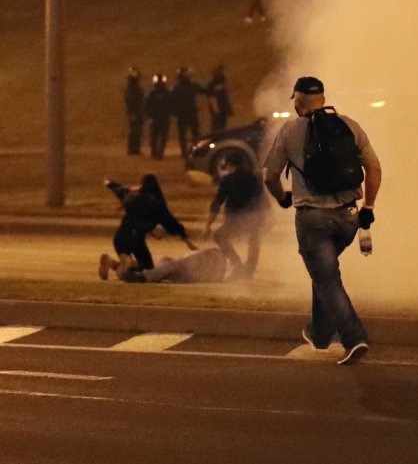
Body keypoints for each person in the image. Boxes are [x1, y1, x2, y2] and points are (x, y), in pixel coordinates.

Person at [263, 76, 381, 365]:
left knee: (327, 279)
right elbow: (374, 167)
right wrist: (369, 205)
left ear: (298, 100)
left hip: (313, 220)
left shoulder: (290, 130)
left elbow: (269, 175)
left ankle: (354, 337)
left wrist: (282, 198)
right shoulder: (348, 125)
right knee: (323, 273)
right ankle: (320, 334)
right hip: (349, 218)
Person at [98, 175, 199, 279]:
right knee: (145, 270)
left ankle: (111, 262)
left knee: (132, 265)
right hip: (135, 239)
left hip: (119, 238)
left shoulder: (131, 194)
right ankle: (127, 266)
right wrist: (188, 243)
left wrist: (108, 183)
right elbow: (173, 224)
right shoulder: (158, 205)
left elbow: (119, 189)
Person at [203, 156, 270, 278]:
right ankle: (250, 268)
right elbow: (264, 202)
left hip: (237, 221)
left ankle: (236, 264)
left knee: (219, 236)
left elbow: (216, 204)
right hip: (256, 219)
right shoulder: (254, 179)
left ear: (229, 165)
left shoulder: (228, 180)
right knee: (254, 238)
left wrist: (208, 226)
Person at [114, 248, 234, 284]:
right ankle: (133, 268)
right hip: (209, 264)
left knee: (172, 265)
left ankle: (138, 275)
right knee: (167, 262)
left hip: (206, 266)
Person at [170, 67, 205, 162]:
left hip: (183, 114)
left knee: (185, 134)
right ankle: (196, 151)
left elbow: (172, 102)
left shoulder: (177, 88)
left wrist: (175, 114)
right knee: (194, 133)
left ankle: (185, 152)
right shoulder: (191, 86)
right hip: (189, 113)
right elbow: (205, 90)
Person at [143, 73, 171, 160]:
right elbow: (146, 106)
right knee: (156, 136)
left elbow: (146, 106)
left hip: (161, 118)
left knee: (159, 136)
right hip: (158, 118)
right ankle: (156, 152)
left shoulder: (164, 93)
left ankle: (158, 153)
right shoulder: (154, 93)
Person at [207, 64, 234, 133]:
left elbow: (225, 95)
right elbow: (211, 97)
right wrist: (215, 108)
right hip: (218, 107)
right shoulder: (213, 84)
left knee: (222, 124)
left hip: (222, 107)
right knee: (217, 125)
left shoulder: (221, 83)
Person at [124, 66, 144, 155]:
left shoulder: (132, 88)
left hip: (137, 112)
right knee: (135, 131)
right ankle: (133, 150)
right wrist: (132, 113)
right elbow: (131, 102)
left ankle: (135, 149)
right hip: (135, 112)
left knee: (136, 131)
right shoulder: (132, 89)